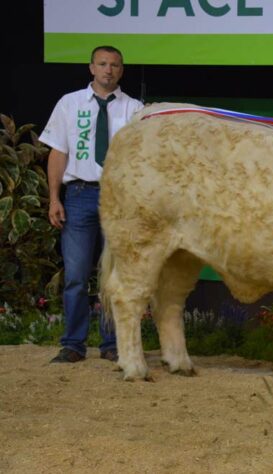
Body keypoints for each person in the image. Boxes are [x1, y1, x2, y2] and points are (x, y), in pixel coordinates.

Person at [40, 46, 143, 363]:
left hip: (119, 198)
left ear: (121, 71)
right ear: (91, 68)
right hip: (80, 195)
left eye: (114, 65)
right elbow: (58, 152)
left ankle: (113, 344)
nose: (108, 70)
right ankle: (73, 344)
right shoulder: (69, 104)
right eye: (102, 64)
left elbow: (144, 159)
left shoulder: (135, 109)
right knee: (76, 275)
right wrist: (54, 198)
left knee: (116, 276)